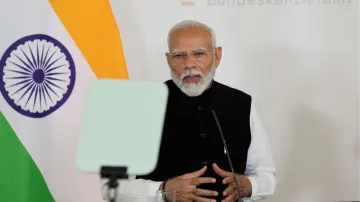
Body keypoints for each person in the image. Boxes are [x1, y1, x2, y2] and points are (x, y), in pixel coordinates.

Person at [101, 20, 276, 202]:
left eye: (199, 54)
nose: (189, 64)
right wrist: (162, 191)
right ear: (168, 59)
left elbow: (266, 175)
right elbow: (110, 187)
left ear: (217, 55)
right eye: (179, 56)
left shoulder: (242, 103)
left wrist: (250, 186)